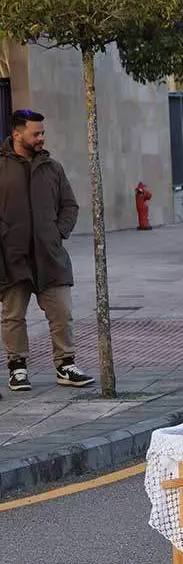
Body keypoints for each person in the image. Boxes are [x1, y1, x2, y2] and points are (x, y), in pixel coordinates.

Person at [0, 109, 94, 392]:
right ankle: (17, 368)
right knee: (13, 315)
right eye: (35, 133)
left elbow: (70, 206)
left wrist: (56, 233)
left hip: (50, 255)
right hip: (13, 256)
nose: (41, 138)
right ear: (17, 134)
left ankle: (66, 364)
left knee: (62, 311)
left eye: (42, 133)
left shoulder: (53, 167)